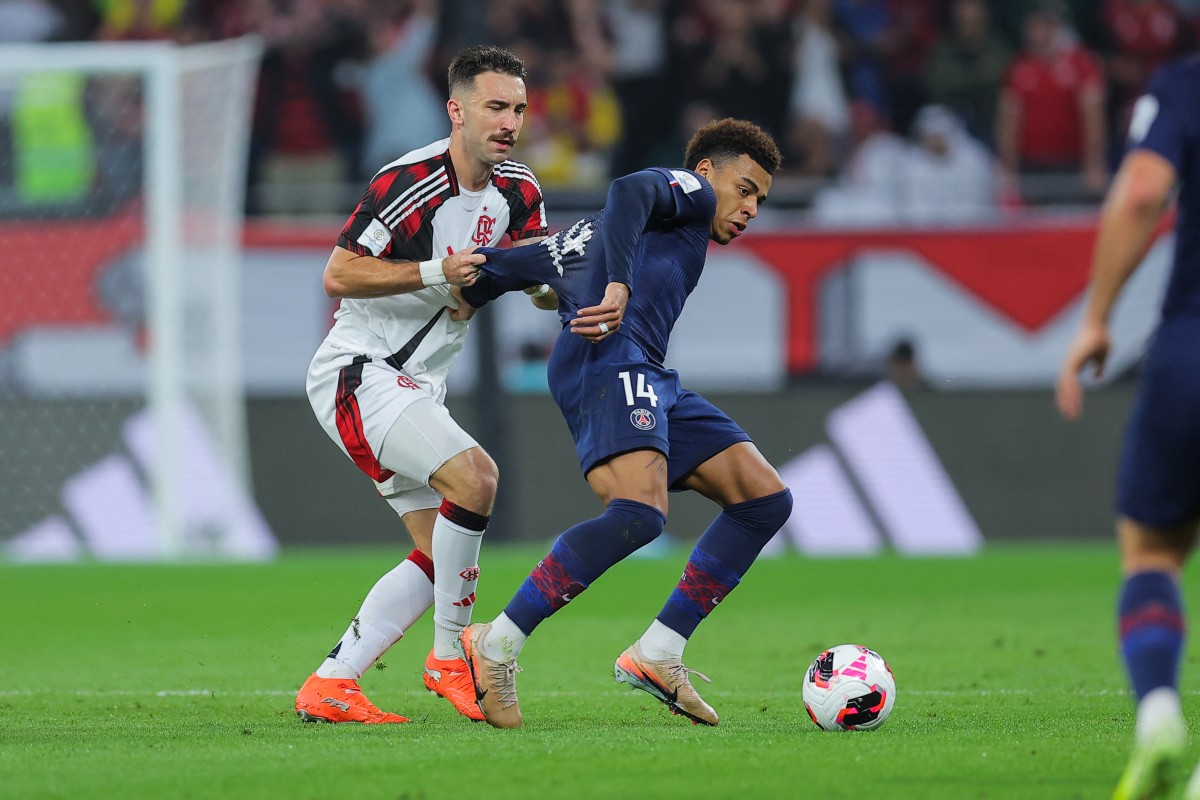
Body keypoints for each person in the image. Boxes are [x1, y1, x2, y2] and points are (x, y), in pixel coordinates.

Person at [453, 118, 793, 729]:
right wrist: (614, 285)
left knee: (764, 499)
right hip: (609, 356)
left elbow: (502, 268)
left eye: (760, 200)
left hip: (646, 370)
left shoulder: (592, 236)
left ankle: (659, 651)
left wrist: (491, 277)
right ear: (707, 172)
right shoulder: (688, 193)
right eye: (744, 189)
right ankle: (495, 643)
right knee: (638, 514)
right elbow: (630, 190)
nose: (750, 209)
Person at [294, 45, 552, 725]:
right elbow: (340, 274)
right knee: (477, 479)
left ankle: (332, 682)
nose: (509, 121)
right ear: (456, 110)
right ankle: (446, 658)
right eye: (495, 106)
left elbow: (523, 269)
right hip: (359, 371)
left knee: (441, 554)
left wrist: (552, 288)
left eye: (518, 108)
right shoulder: (410, 181)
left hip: (414, 387)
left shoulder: (520, 189)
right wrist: (441, 272)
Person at [1056, 55, 1200, 799]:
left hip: (1189, 349)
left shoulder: (1184, 83)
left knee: (1152, 551)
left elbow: (1144, 189)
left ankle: (1159, 716)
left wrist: (1097, 317)